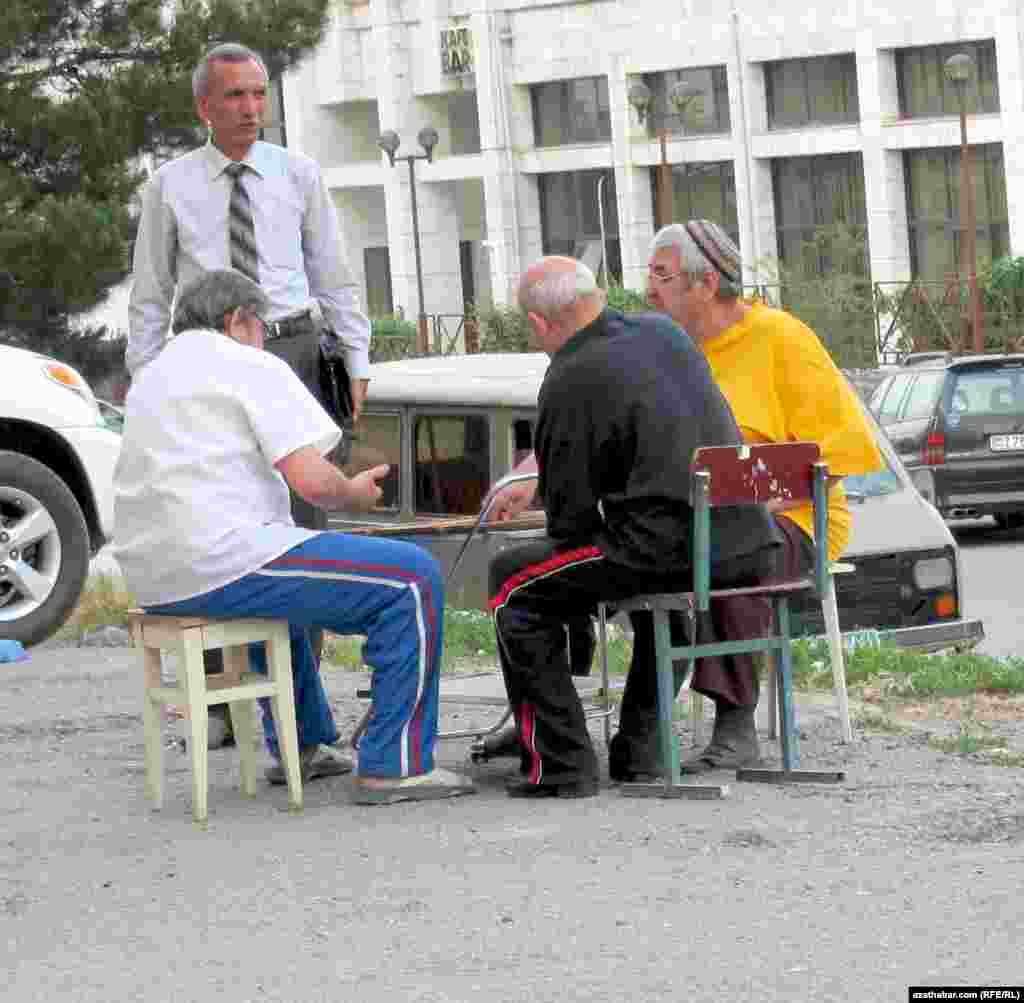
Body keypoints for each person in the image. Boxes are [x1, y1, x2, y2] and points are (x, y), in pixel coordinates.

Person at [114, 270, 473, 804]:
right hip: (221, 557)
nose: (266, 337)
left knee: (283, 582)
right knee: (410, 577)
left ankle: (303, 745)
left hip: (154, 577)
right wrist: (354, 493)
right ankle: (396, 764)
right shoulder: (246, 364)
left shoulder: (151, 376)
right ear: (239, 319)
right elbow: (314, 483)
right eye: (263, 325)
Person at [128, 42, 372, 744]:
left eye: (260, 94)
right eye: (235, 95)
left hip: (289, 349)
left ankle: (297, 712)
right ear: (204, 105)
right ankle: (221, 704)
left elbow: (333, 272)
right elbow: (151, 294)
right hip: (206, 360)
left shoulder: (298, 173)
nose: (251, 108)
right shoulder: (170, 185)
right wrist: (149, 383)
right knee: (214, 517)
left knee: (300, 524)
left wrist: (357, 356)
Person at [487, 256, 781, 798]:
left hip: (668, 548)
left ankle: (560, 763)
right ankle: (640, 750)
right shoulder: (664, 333)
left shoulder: (568, 375)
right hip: (746, 541)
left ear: (538, 324)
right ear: (595, 297)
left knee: (513, 582)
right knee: (653, 591)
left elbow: (570, 522)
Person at [605, 219, 884, 777]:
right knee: (648, 552)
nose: (648, 291)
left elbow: (842, 450)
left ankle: (736, 726)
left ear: (706, 283)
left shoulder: (782, 339)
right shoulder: (662, 349)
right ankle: (636, 731)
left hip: (797, 520)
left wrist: (757, 498)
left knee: (735, 544)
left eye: (661, 276)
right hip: (695, 520)